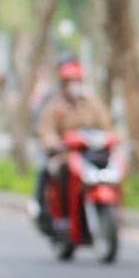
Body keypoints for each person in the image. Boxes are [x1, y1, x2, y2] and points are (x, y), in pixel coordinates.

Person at [33, 59, 112, 232]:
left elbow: (107, 126)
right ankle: (59, 216)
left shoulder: (92, 104)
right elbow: (46, 130)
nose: (74, 86)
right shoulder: (54, 106)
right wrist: (53, 143)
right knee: (55, 171)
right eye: (70, 82)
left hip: (90, 154)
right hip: (65, 154)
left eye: (77, 81)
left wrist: (111, 138)